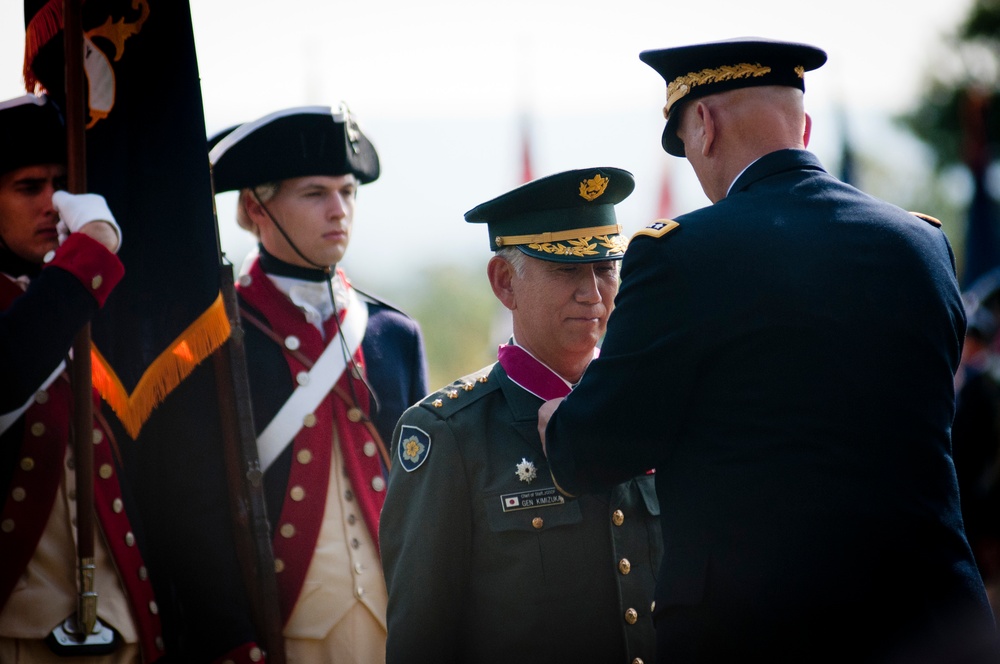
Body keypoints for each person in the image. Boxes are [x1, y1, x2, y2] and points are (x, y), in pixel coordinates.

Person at [538, 38, 999, 663]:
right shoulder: (921, 245)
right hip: (934, 628)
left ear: (702, 124)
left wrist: (556, 424)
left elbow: (593, 451)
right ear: (803, 128)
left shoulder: (679, 255)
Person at [380, 167, 662, 664]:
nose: (594, 294)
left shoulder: (651, 407)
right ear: (505, 282)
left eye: (605, 268)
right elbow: (421, 639)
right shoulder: (449, 434)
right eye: (567, 269)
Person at [208, 103, 429, 663]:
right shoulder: (217, 336)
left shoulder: (393, 334)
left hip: (394, 621)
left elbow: (426, 493)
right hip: (280, 629)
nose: (339, 210)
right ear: (256, 207)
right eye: (314, 193)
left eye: (348, 192)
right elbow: (194, 504)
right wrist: (230, 638)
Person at [0, 94, 165, 661]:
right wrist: (91, 250)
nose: (54, 204)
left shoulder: (96, 299)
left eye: (64, 184)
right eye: (29, 187)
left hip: (121, 626)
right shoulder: (81, 285)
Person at [954, 267, 1000, 614]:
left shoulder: (984, 389)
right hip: (965, 495)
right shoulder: (965, 383)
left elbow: (987, 454)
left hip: (977, 499)